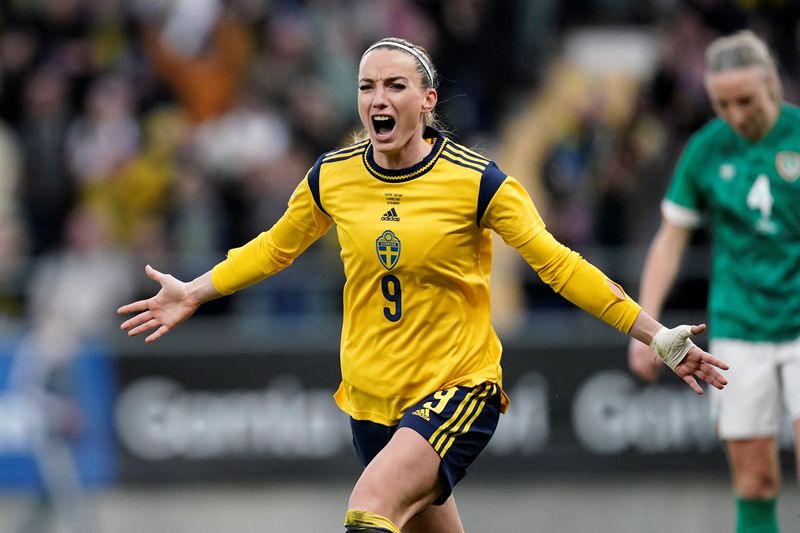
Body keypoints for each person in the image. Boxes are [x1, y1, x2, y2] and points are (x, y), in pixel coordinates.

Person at [119, 37, 728, 533]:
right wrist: (195, 290)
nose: (377, 98)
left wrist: (658, 338)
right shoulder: (332, 177)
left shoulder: (479, 182)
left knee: (370, 506)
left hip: (457, 389)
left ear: (426, 100)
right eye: (366, 87)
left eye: (394, 85)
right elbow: (276, 248)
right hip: (370, 403)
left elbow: (560, 265)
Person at [627, 30, 799, 533]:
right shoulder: (706, 149)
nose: (735, 114)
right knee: (754, 483)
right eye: (722, 103)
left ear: (772, 83)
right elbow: (669, 240)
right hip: (740, 330)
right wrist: (647, 327)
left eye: (744, 100)